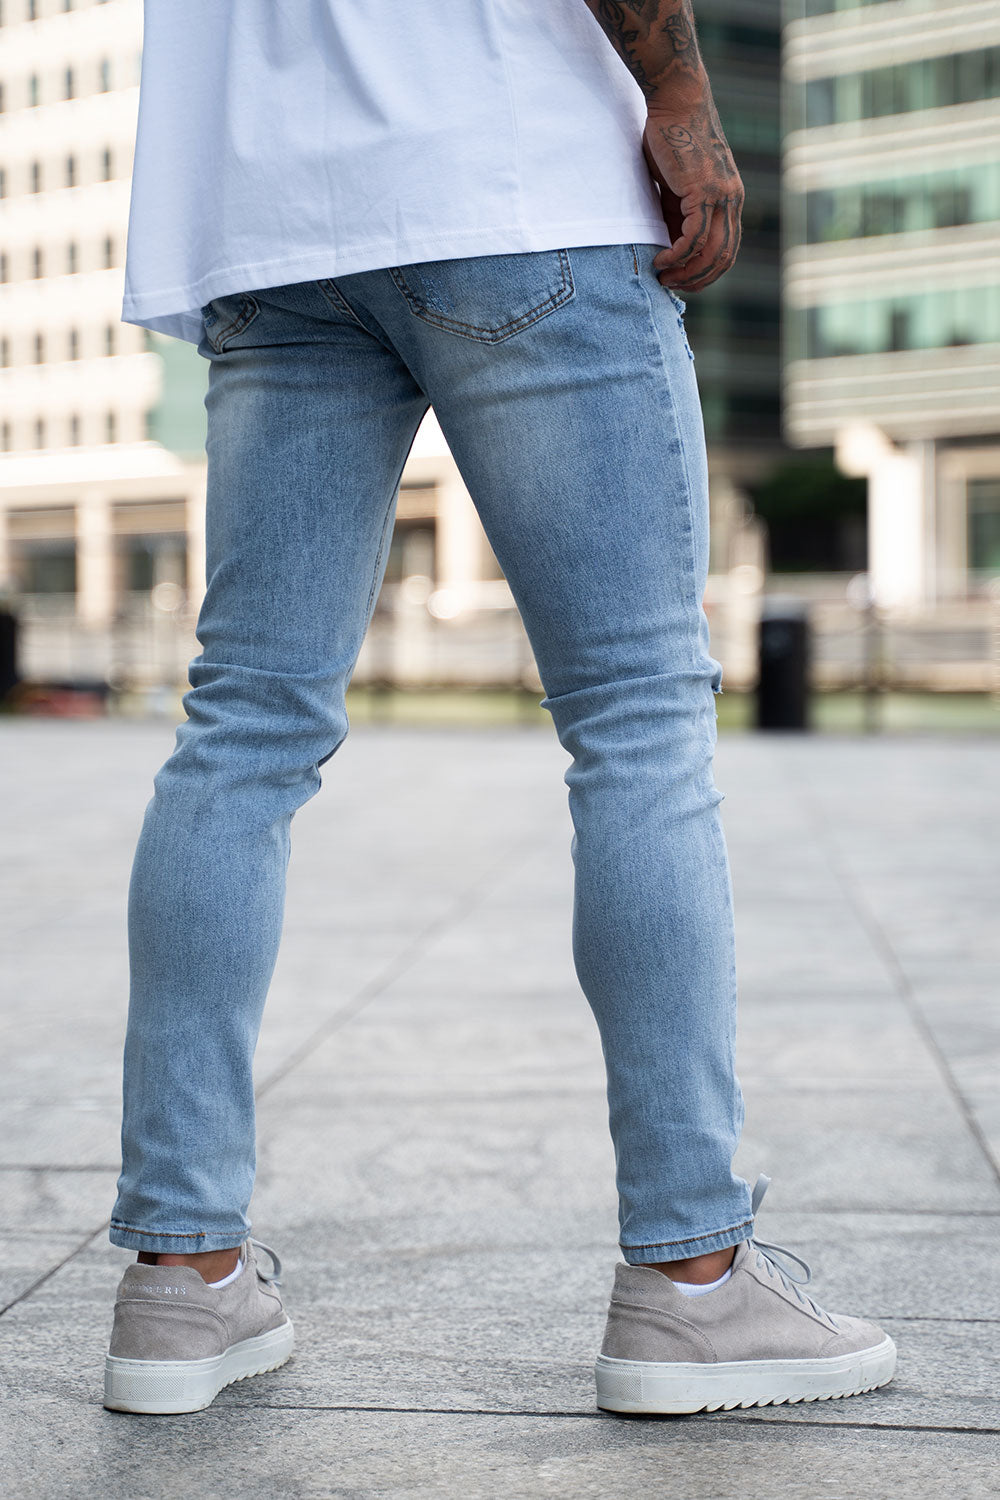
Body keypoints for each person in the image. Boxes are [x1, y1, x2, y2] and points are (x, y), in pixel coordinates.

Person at [103, 0, 896, 1416]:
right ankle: (693, 1284)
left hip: (271, 217)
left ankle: (181, 1278)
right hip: (514, 175)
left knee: (241, 732)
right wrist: (681, 92)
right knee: (638, 722)